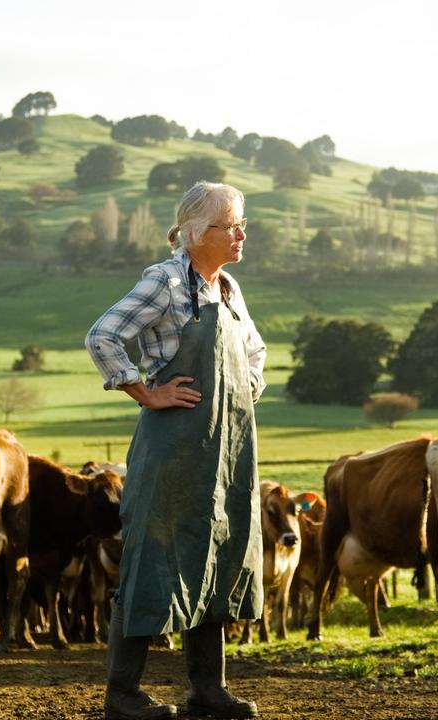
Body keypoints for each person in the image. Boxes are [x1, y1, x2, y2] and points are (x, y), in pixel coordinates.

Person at [85, 181, 266, 720]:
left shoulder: (228, 287)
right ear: (193, 234)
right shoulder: (164, 282)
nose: (240, 235)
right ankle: (123, 696)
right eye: (229, 225)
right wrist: (147, 392)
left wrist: (242, 390)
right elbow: (103, 335)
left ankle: (206, 690)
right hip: (171, 450)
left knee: (217, 554)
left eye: (241, 224)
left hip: (227, 451)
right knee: (150, 561)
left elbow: (255, 351)